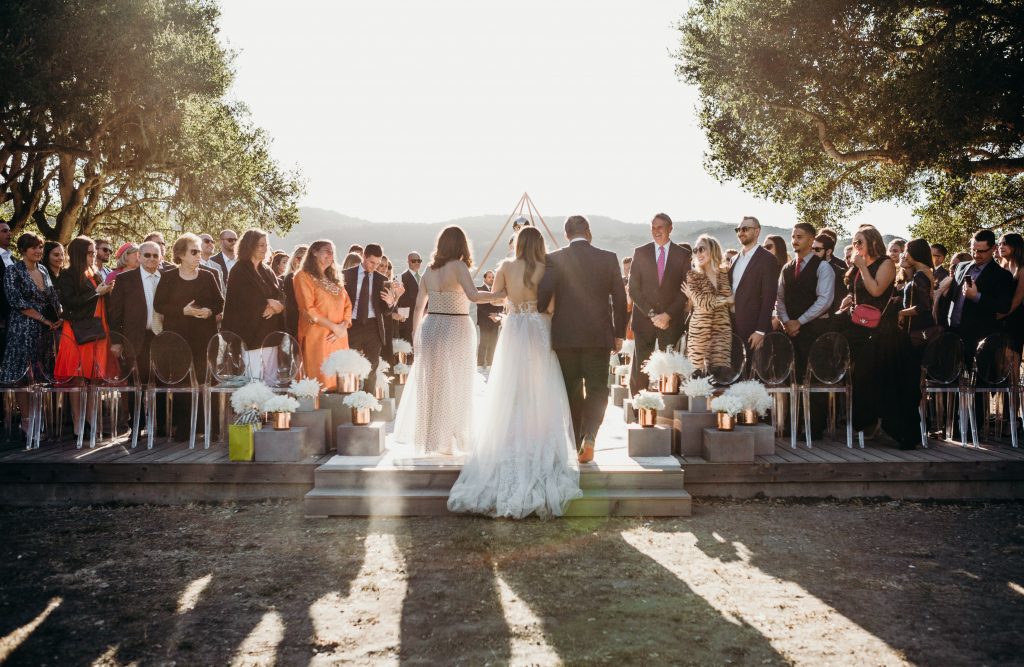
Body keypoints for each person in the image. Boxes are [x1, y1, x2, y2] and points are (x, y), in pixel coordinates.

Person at [447, 226, 582, 518]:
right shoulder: (547, 268)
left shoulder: (506, 265)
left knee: (510, 389)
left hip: (515, 329)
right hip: (539, 328)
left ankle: (510, 441)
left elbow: (496, 298)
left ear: (518, 243)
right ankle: (542, 444)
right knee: (542, 388)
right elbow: (552, 309)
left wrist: (510, 296)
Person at [393, 227, 497, 455]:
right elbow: (474, 296)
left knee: (434, 386)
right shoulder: (459, 267)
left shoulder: (429, 271)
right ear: (462, 245)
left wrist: (415, 335)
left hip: (430, 328)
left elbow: (419, 305)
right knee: (457, 385)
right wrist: (501, 295)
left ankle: (436, 441)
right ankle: (454, 438)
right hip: (456, 327)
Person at [538, 215, 627, 463]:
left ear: (566, 234)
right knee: (598, 388)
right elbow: (620, 299)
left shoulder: (554, 259)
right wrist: (618, 333)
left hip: (565, 338)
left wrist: (540, 312)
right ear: (588, 232)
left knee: (571, 391)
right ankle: (590, 435)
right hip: (598, 337)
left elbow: (543, 295)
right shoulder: (608, 258)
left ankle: (576, 441)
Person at [839, 225, 913, 446]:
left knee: (875, 377)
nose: (856, 246)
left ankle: (883, 425)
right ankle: (865, 424)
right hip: (857, 326)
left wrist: (861, 267)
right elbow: (860, 292)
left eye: (860, 242)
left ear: (872, 242)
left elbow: (876, 291)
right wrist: (850, 299)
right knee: (859, 376)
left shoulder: (886, 263)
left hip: (881, 330)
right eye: (854, 242)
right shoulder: (857, 265)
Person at [775, 222, 835, 440]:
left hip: (813, 332)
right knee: (791, 378)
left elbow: (825, 300)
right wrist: (785, 321)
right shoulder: (787, 268)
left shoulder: (823, 267)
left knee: (811, 378)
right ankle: (791, 424)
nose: (794, 241)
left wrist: (799, 321)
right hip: (790, 331)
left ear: (811, 240)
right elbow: (779, 298)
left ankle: (813, 428)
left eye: (799, 236)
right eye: (793, 236)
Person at [0, 233, 62, 438]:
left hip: (44, 332)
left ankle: (39, 419)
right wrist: (43, 319)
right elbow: (15, 301)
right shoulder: (13, 270)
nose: (37, 251)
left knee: (40, 376)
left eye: (40, 247)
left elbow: (52, 298)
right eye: (33, 247)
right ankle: (26, 421)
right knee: (22, 376)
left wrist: (58, 317)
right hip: (22, 329)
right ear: (23, 250)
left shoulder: (43, 269)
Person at [627, 213, 691, 394]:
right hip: (644, 319)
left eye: (660, 227)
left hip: (671, 321)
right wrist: (652, 315)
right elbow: (633, 289)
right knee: (641, 367)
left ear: (670, 228)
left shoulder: (683, 254)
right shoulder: (640, 252)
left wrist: (667, 315)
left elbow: (684, 289)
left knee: (670, 369)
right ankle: (639, 408)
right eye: (653, 227)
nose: (656, 231)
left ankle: (668, 412)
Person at [55, 236, 112, 436]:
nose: (93, 256)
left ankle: (91, 422)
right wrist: (97, 292)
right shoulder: (68, 275)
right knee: (78, 378)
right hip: (78, 331)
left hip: (98, 329)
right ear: (79, 254)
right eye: (90, 253)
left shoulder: (95, 273)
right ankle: (79, 425)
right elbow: (70, 303)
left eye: (94, 252)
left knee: (94, 378)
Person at [154, 233, 224, 376]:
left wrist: (210, 311)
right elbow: (159, 305)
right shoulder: (168, 277)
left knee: (205, 380)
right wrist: (182, 311)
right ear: (181, 254)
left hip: (204, 339)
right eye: (194, 252)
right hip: (177, 339)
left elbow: (220, 303)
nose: (199, 255)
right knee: (182, 385)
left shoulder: (208, 276)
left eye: (199, 251)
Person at [221, 229, 286, 379]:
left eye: (266, 245)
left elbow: (280, 294)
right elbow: (239, 300)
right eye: (260, 245)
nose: (265, 249)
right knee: (254, 380)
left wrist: (278, 306)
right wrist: (266, 303)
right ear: (249, 246)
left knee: (271, 381)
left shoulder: (267, 270)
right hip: (251, 335)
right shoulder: (239, 270)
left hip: (270, 334)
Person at [945, 229, 1014, 365]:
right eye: (973, 250)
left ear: (993, 248)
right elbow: (951, 297)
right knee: (953, 382)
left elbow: (1004, 307)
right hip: (952, 334)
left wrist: (977, 296)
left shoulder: (1002, 275)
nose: (976, 255)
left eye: (981, 251)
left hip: (979, 339)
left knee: (978, 384)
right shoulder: (960, 267)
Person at [293, 240, 352, 391]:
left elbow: (348, 305)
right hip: (319, 338)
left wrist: (342, 327)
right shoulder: (302, 276)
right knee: (321, 382)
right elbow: (308, 309)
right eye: (327, 251)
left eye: (332, 252)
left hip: (339, 337)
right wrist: (334, 327)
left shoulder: (334, 279)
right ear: (314, 252)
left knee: (341, 384)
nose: (331, 255)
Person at [342, 244, 400, 396]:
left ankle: (367, 402)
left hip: (373, 327)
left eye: (378, 263)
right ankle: (350, 401)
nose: (375, 267)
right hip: (351, 326)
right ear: (364, 257)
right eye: (371, 262)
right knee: (349, 365)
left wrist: (390, 302)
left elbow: (387, 311)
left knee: (371, 367)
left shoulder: (383, 279)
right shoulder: (346, 275)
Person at [729, 216, 780, 351]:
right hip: (731, 325)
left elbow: (769, 298)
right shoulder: (734, 259)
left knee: (753, 369)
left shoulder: (768, 259)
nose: (740, 232)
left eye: (745, 229)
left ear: (757, 232)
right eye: (738, 229)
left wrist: (760, 331)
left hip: (753, 328)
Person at [684, 234, 733, 373]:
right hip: (699, 333)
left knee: (720, 375)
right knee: (698, 378)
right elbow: (702, 302)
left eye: (702, 249)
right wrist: (726, 300)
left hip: (722, 332)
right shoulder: (692, 275)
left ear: (712, 250)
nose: (698, 253)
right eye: (695, 250)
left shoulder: (725, 273)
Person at [996, 233, 1024, 357]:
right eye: (999, 244)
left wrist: (998, 316)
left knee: (1011, 359)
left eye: (1005, 244)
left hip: (1015, 319)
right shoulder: (999, 268)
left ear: (1016, 246)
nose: (1001, 247)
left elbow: (1017, 300)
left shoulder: (1022, 269)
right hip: (998, 318)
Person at [813, 233, 849, 315]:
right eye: (812, 249)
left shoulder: (839, 272)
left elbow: (840, 300)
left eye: (817, 249)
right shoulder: (808, 268)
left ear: (828, 251)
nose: (813, 252)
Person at [282, 244, 309, 339]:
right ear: (296, 260)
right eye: (306, 259)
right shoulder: (290, 278)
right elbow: (295, 305)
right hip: (295, 325)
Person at [476, 270, 502, 370]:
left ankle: (490, 363)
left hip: (496, 320)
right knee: (483, 342)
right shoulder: (479, 289)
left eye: (493, 277)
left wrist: (497, 315)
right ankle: (480, 363)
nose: (491, 279)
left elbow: (501, 303)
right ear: (485, 278)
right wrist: (490, 315)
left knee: (493, 342)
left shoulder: (497, 290)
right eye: (489, 277)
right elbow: (480, 304)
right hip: (484, 320)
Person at [396, 252, 422, 345]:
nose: (417, 263)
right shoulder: (401, 278)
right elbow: (398, 301)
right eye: (414, 261)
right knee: (408, 352)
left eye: (419, 261)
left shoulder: (422, 279)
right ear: (408, 262)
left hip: (421, 321)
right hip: (407, 323)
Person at [0, 221, 13, 367]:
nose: (9, 234)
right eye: (4, 231)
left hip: (14, 321)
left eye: (9, 231)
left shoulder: (13, 259)